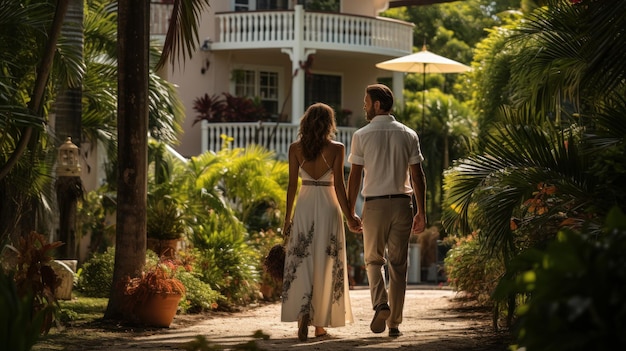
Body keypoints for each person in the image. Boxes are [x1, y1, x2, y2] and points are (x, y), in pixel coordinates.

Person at [347, 83, 427, 338]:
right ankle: (394, 323)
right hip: (404, 204)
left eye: (366, 102)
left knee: (373, 260)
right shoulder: (408, 134)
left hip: (375, 205)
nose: (364, 106)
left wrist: (350, 212)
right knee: (399, 265)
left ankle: (381, 303)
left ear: (377, 105)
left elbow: (355, 177)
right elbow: (418, 175)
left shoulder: (361, 135)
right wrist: (421, 212)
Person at [281, 102, 361, 342]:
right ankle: (319, 325)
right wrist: (350, 216)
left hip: (304, 205)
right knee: (326, 262)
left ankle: (302, 314)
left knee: (302, 260)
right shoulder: (337, 148)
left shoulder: (295, 148)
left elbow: (292, 185)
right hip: (328, 207)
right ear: (329, 124)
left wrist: (287, 218)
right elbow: (338, 185)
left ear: (305, 122)